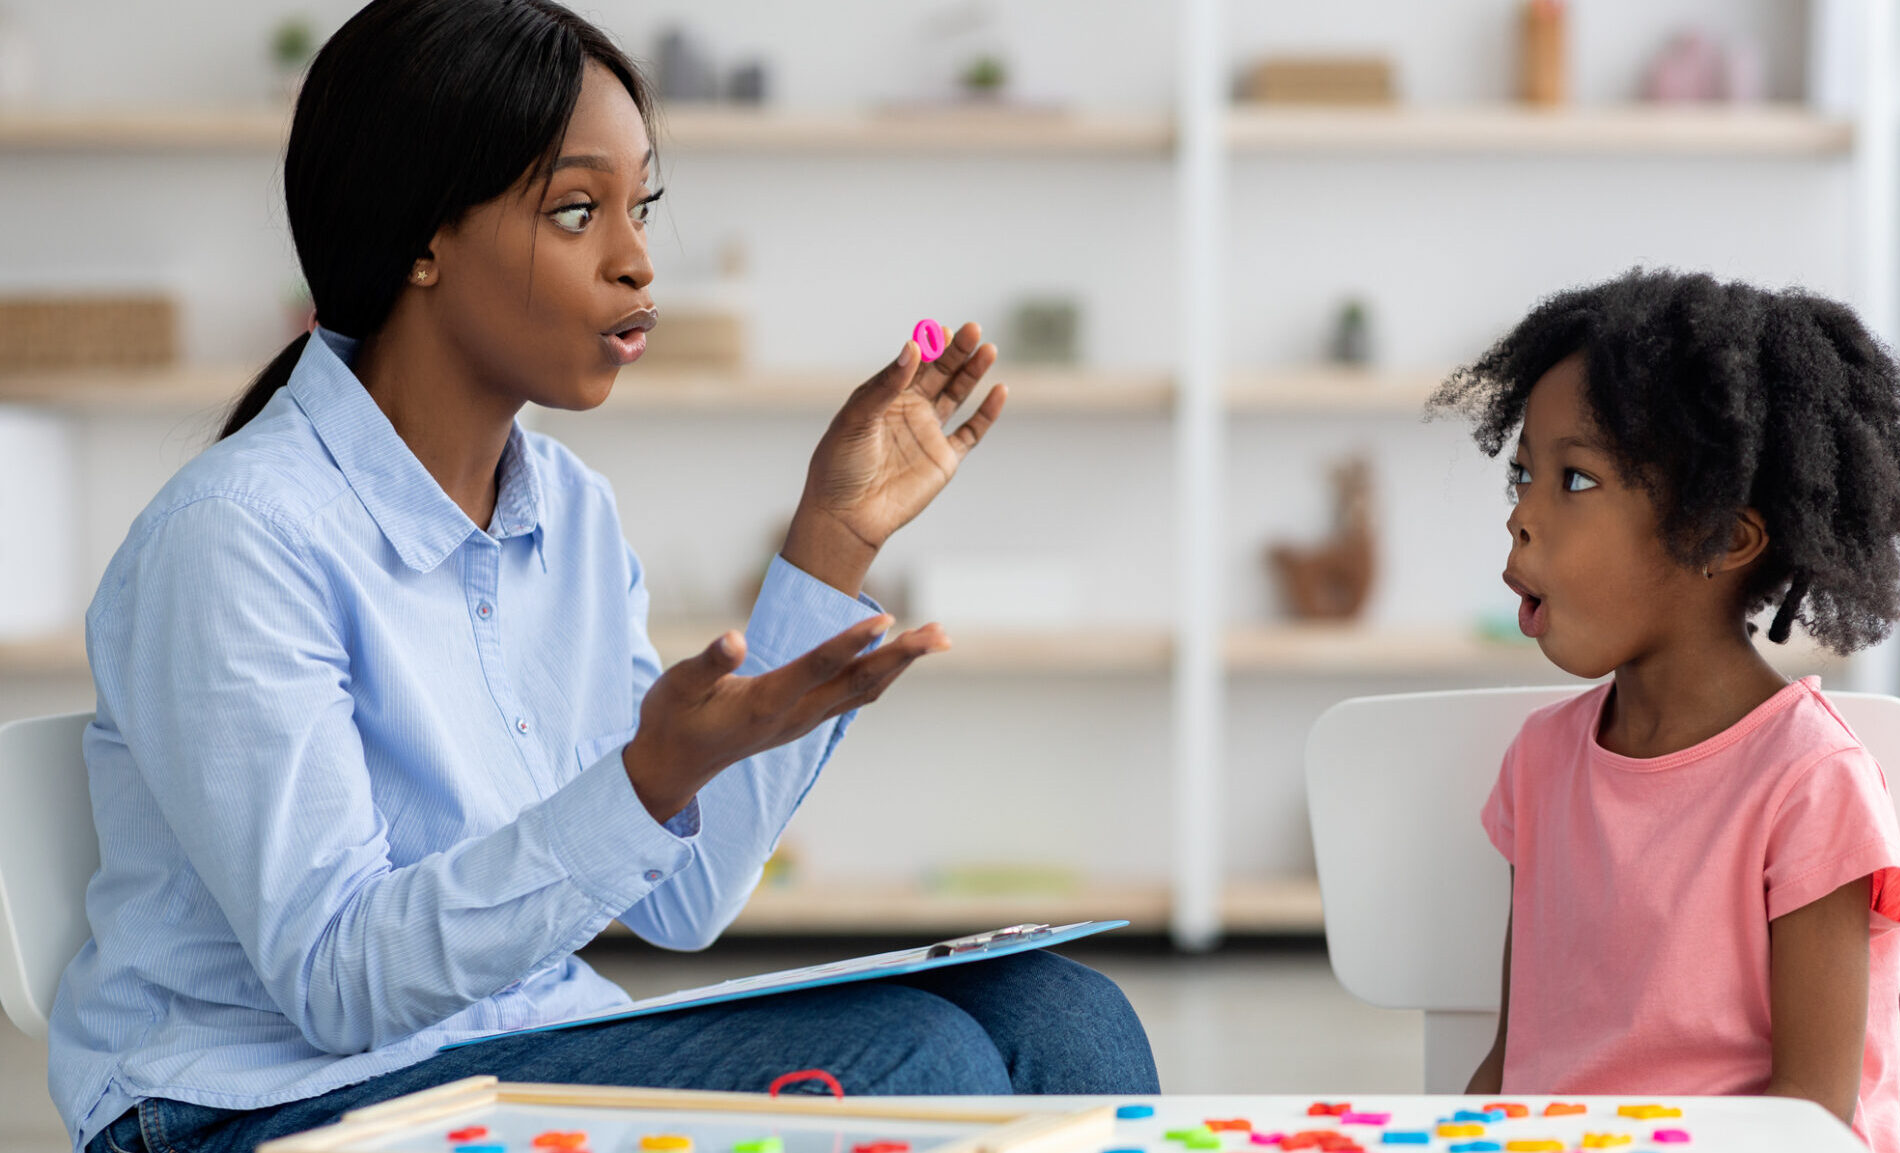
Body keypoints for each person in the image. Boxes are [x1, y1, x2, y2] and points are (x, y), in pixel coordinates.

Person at [48, 3, 1156, 1150]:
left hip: (502, 1050)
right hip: (259, 1107)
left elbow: (680, 900)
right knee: (922, 1065)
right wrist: (643, 777)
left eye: (642, 206)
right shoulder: (235, 536)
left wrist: (830, 540)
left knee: (1063, 1016)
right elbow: (339, 983)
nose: (635, 258)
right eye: (577, 211)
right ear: (422, 238)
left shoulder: (569, 515)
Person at [1433, 269, 1900, 1153]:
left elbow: (1811, 1114)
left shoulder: (1811, 786)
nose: (1522, 518)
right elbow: (1517, 1064)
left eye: (1574, 481)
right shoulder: (1542, 761)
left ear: (1722, 537)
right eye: (1523, 477)